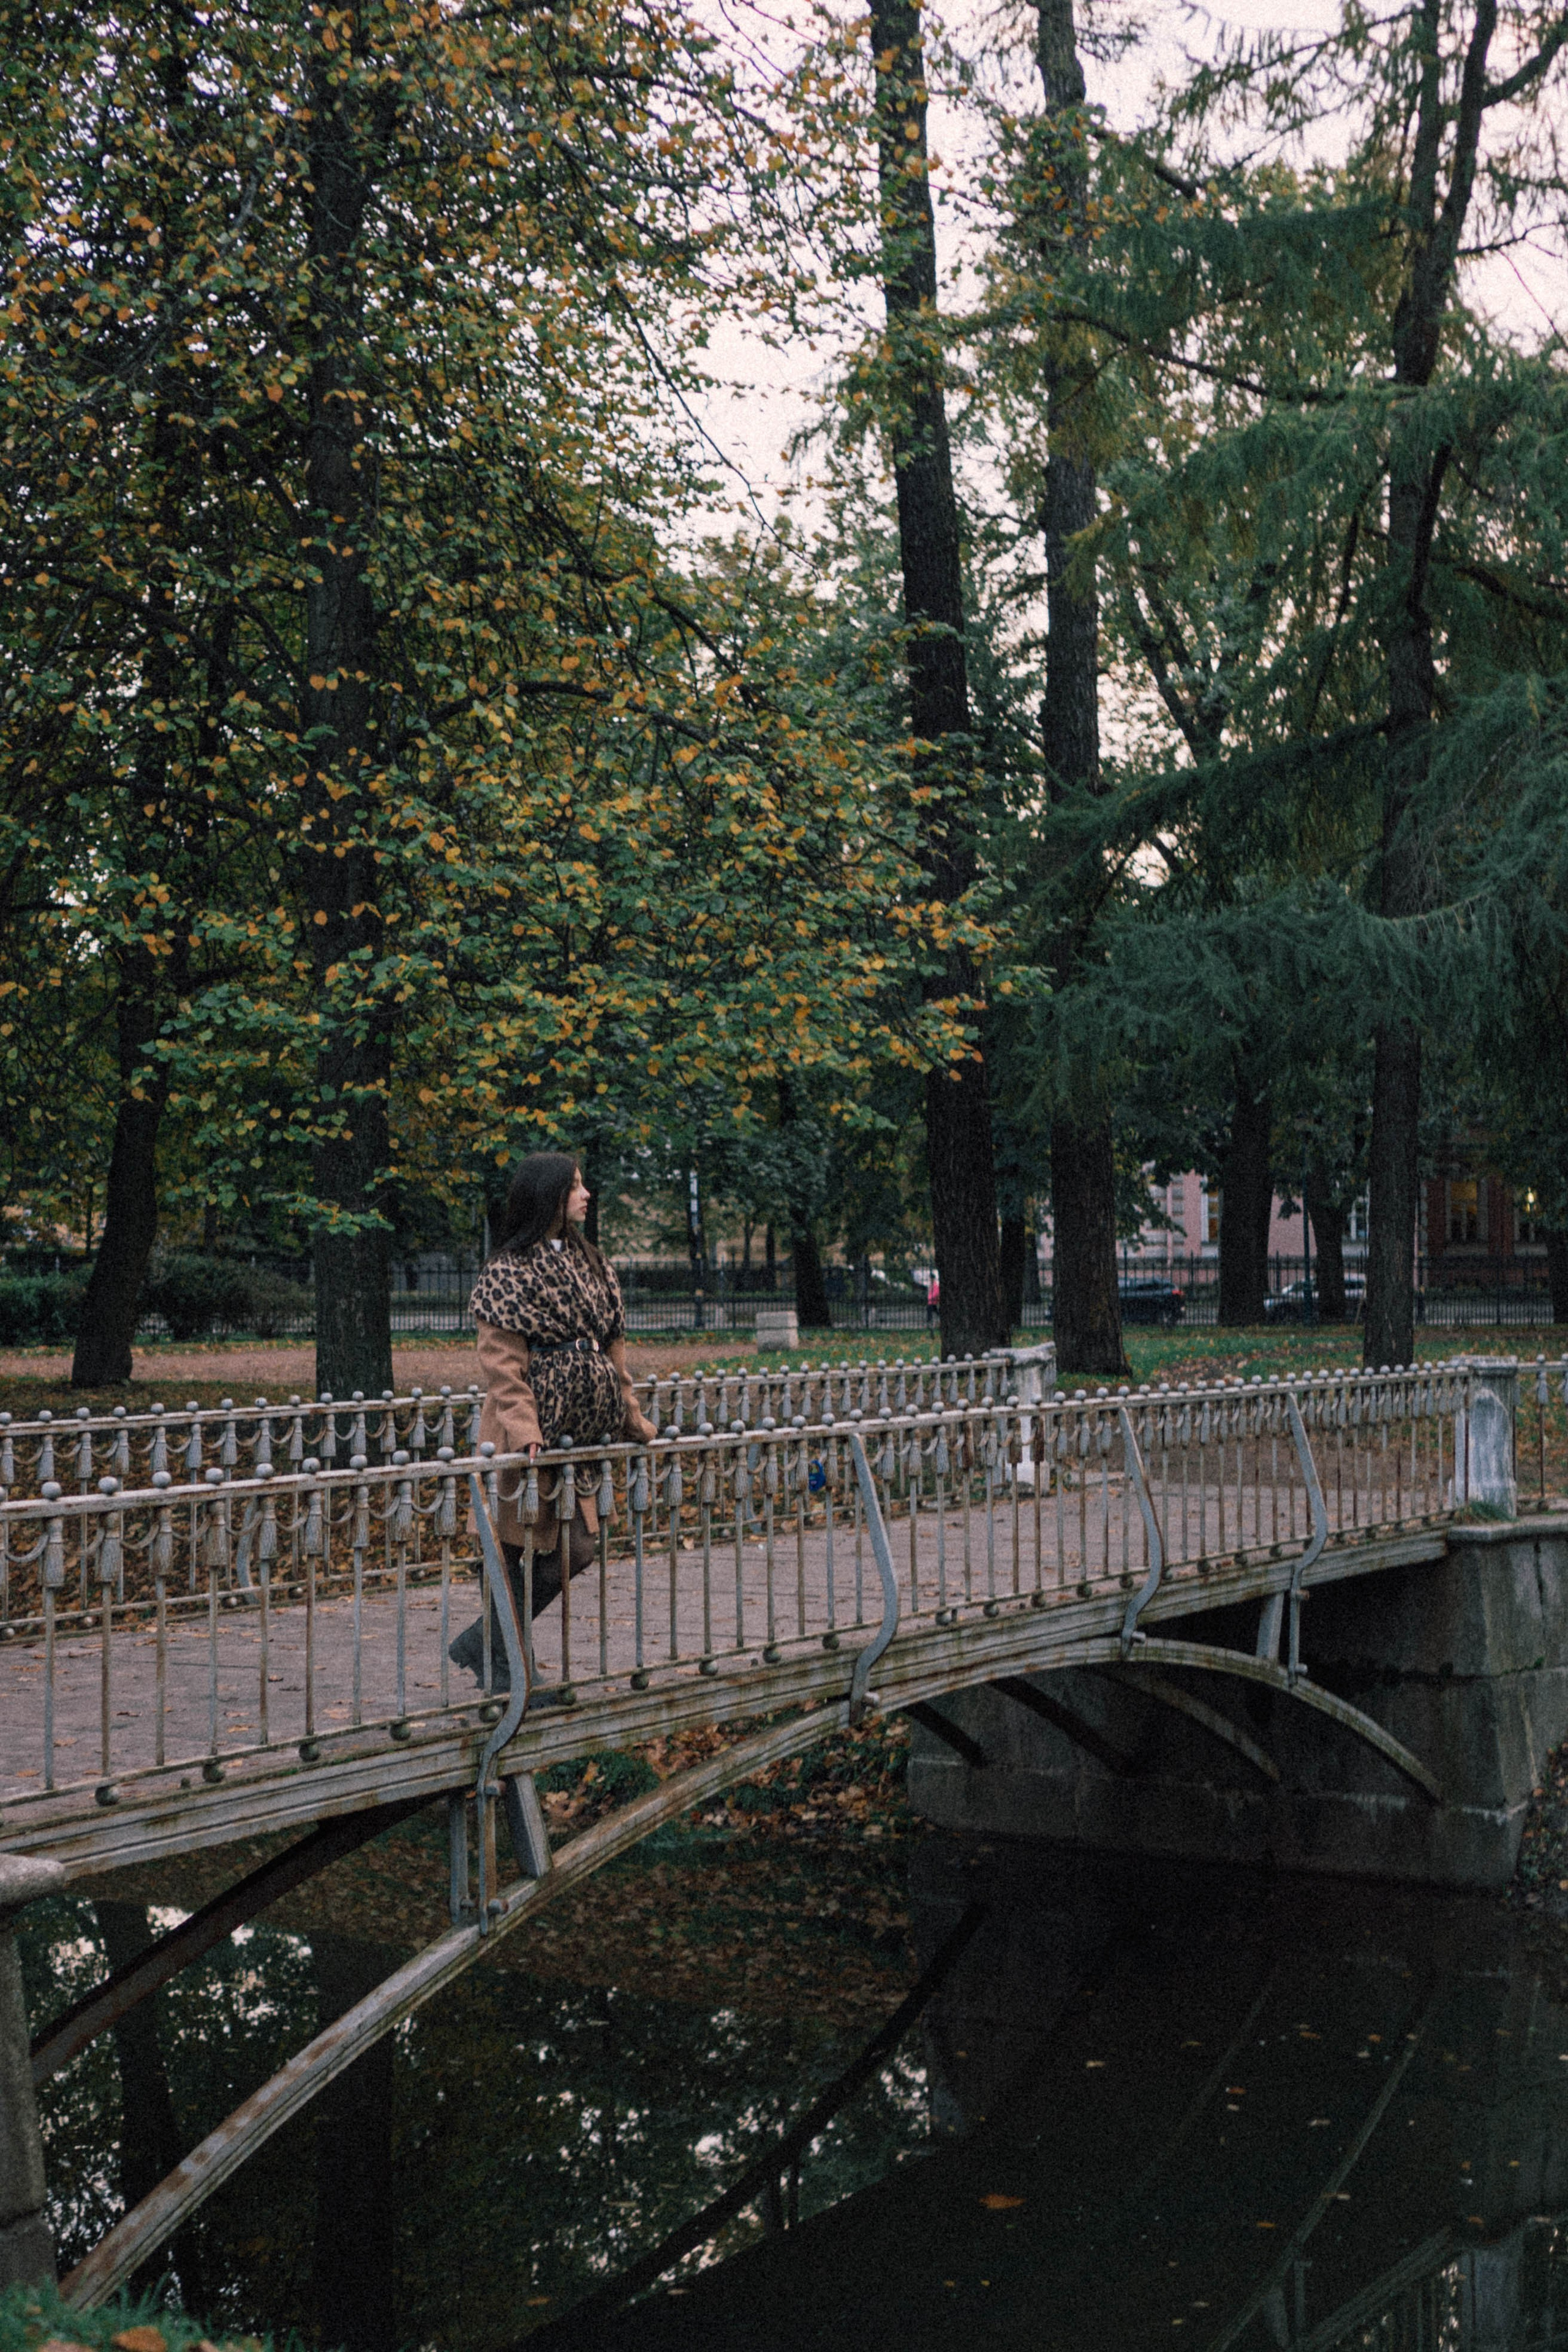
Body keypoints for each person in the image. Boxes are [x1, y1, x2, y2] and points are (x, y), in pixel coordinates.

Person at [450, 1152, 656, 1700]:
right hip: (529, 1438)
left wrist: (632, 1418)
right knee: (514, 1552)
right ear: (548, 1197)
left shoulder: (593, 1263)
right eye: (576, 1188)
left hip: (578, 1436)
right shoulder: (507, 1272)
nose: (586, 1195)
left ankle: (486, 1644)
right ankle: (512, 1667)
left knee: (577, 1549)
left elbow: (615, 1353)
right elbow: (502, 1364)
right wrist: (524, 1431)